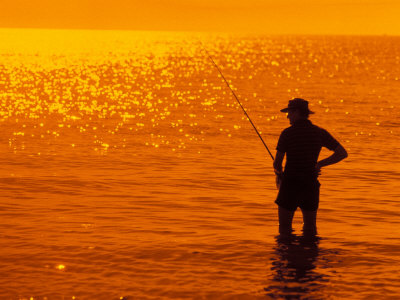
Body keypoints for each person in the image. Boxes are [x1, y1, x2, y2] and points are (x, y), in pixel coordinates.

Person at [273, 98, 348, 235]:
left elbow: (277, 163)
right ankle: (310, 254)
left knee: (284, 229)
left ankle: (286, 254)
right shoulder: (319, 132)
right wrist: (320, 164)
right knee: (310, 227)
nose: (288, 116)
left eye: (289, 112)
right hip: (310, 185)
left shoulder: (287, 133)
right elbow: (342, 153)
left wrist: (279, 174)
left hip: (290, 185)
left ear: (296, 112)